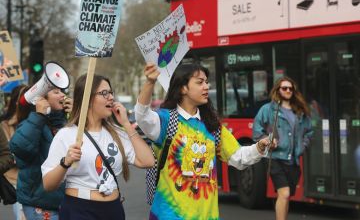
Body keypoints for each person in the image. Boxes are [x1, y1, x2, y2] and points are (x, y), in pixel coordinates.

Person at [135, 62, 271, 220]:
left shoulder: (212, 125)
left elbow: (238, 157)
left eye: (206, 82)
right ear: (183, 88)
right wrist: (150, 82)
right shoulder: (166, 120)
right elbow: (142, 116)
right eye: (200, 82)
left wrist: (259, 147)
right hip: (169, 214)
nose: (206, 86)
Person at [41, 74, 155, 220]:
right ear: (87, 99)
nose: (111, 98)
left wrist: (126, 124)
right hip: (80, 210)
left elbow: (148, 161)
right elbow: (48, 184)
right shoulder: (67, 135)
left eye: (111, 92)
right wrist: (66, 162)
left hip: (113, 209)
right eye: (104, 93)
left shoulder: (117, 133)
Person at [252, 76, 313, 220]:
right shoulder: (268, 109)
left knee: (286, 196)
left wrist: (302, 146)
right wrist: (267, 141)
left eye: (290, 88)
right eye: (284, 88)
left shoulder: (300, 111)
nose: (288, 91)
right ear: (278, 90)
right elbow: (256, 130)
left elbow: (309, 132)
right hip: (275, 159)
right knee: (284, 193)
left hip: (293, 161)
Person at [9, 87, 73, 220]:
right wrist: (39, 116)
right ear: (42, 99)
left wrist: (77, 116)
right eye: (56, 92)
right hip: (40, 204)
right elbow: (19, 147)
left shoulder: (65, 125)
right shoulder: (31, 123)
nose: (62, 95)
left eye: (62, 91)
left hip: (66, 203)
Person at [0, 85, 27, 220]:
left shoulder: (36, 124)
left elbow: (7, 155)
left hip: (30, 184)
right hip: (12, 181)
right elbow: (9, 155)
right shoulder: (4, 125)